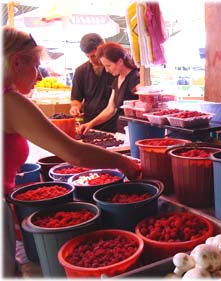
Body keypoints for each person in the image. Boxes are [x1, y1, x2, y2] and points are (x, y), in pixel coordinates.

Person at [3, 26, 141, 276]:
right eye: (35, 66)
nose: (39, 76)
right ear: (16, 63)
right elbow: (74, 154)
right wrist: (122, 162)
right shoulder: (9, 101)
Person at [77, 42, 140, 135]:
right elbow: (110, 109)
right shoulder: (116, 81)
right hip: (122, 131)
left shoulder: (135, 78)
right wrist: (90, 124)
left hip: (136, 130)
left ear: (120, 62)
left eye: (108, 66)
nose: (107, 70)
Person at [69, 33, 117, 132]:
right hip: (89, 124)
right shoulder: (80, 71)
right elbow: (76, 98)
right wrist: (75, 107)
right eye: (88, 57)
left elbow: (111, 109)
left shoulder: (116, 70)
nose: (91, 60)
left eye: (94, 56)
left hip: (114, 124)